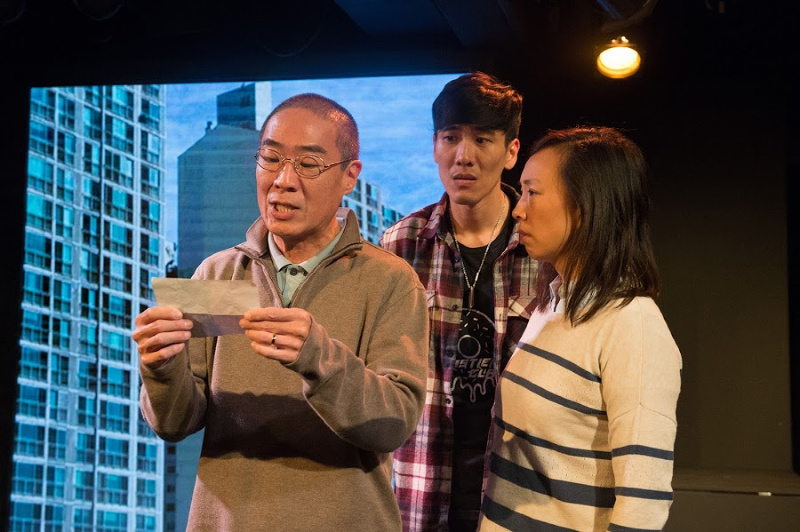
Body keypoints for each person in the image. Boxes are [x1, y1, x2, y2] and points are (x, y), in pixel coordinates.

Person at [133, 93, 429, 531]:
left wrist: (318, 358)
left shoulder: (389, 280)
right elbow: (177, 422)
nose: (282, 180)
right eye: (270, 159)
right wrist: (160, 369)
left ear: (350, 175)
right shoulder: (218, 274)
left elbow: (393, 424)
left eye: (308, 165)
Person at [478, 126, 682, 531]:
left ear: (585, 205)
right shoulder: (552, 305)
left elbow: (643, 504)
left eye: (533, 192)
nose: (519, 209)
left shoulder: (631, 325)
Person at [380, 71, 539, 531]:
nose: (463, 156)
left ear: (511, 152)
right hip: (423, 481)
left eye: (483, 140)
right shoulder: (402, 243)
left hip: (515, 485)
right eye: (451, 138)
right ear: (435, 146)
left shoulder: (540, 246)